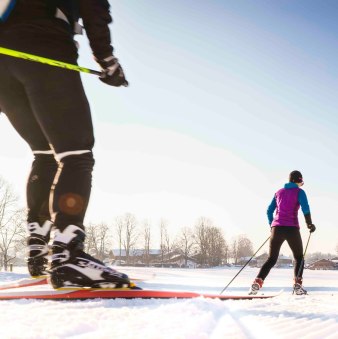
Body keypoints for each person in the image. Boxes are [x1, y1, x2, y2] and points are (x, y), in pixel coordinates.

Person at [0, 0, 134, 288]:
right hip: (42, 46)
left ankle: (39, 246)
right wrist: (107, 60)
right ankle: (67, 256)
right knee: (76, 153)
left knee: (44, 153)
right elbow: (94, 7)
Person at [249, 170, 316, 295]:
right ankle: (297, 285)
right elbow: (305, 208)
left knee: (271, 259)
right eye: (301, 182)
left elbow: (269, 211)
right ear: (298, 180)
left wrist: (272, 225)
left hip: (277, 229)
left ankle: (257, 282)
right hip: (292, 229)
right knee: (299, 258)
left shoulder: (278, 192)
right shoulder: (300, 192)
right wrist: (309, 224)